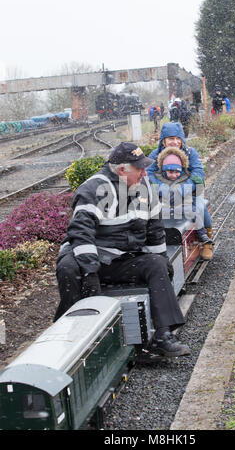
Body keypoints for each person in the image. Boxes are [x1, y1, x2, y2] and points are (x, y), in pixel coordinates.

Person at [54, 142, 190, 357]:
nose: (145, 173)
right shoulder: (93, 190)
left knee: (156, 265)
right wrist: (90, 272)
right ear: (121, 170)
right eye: (140, 168)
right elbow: (81, 234)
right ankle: (73, 334)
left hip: (122, 259)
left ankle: (163, 335)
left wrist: (163, 260)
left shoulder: (145, 187)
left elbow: (155, 230)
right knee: (68, 267)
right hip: (91, 258)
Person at [147, 122, 214, 260]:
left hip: (188, 192)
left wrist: (184, 188)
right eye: (171, 138)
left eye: (178, 139)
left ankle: (207, 240)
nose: (175, 142)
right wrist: (161, 188)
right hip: (163, 194)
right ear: (164, 140)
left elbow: (198, 172)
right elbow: (149, 173)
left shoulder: (191, 153)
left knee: (199, 206)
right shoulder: (155, 155)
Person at [154, 147, 213, 253]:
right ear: (164, 171)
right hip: (165, 209)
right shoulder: (160, 180)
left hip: (182, 207)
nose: (174, 175)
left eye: (177, 172)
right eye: (170, 172)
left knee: (195, 211)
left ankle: (202, 234)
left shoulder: (185, 179)